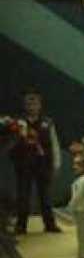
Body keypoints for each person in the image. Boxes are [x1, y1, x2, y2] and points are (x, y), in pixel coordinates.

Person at [3, 89, 61, 234]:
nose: (31, 106)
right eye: (29, 102)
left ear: (40, 105)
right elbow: (10, 141)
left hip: (43, 164)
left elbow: (54, 144)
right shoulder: (17, 122)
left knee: (46, 196)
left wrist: (56, 164)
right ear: (24, 105)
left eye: (34, 102)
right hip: (23, 164)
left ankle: (50, 224)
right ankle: (21, 226)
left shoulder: (48, 122)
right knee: (23, 195)